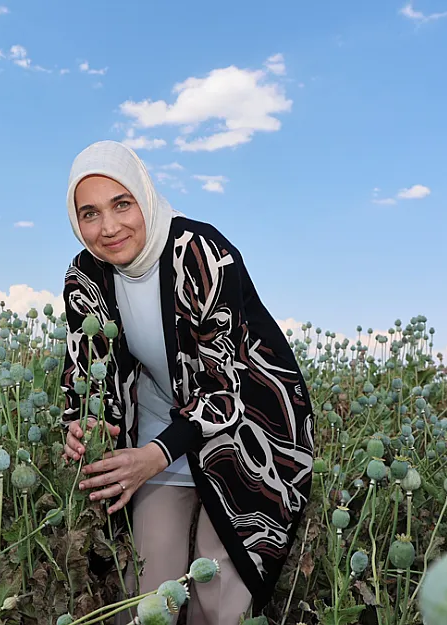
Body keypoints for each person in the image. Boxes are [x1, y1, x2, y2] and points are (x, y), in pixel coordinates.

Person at [59, 140, 316, 624]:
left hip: (249, 427)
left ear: (145, 198)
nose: (108, 227)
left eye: (121, 204)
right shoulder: (85, 275)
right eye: (89, 213)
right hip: (162, 421)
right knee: (146, 591)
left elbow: (224, 388)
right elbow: (86, 367)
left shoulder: (199, 251)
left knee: (216, 587)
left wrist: (152, 457)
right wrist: (85, 423)